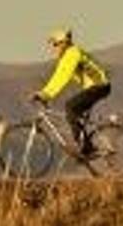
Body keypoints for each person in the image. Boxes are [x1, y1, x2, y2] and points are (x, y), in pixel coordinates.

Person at [32, 29, 111, 157]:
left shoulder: (73, 54)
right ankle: (85, 148)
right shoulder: (67, 56)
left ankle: (85, 147)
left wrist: (46, 94)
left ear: (63, 43)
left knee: (70, 107)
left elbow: (64, 77)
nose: (53, 48)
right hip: (94, 87)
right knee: (75, 113)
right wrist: (45, 93)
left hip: (99, 86)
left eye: (55, 44)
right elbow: (57, 76)